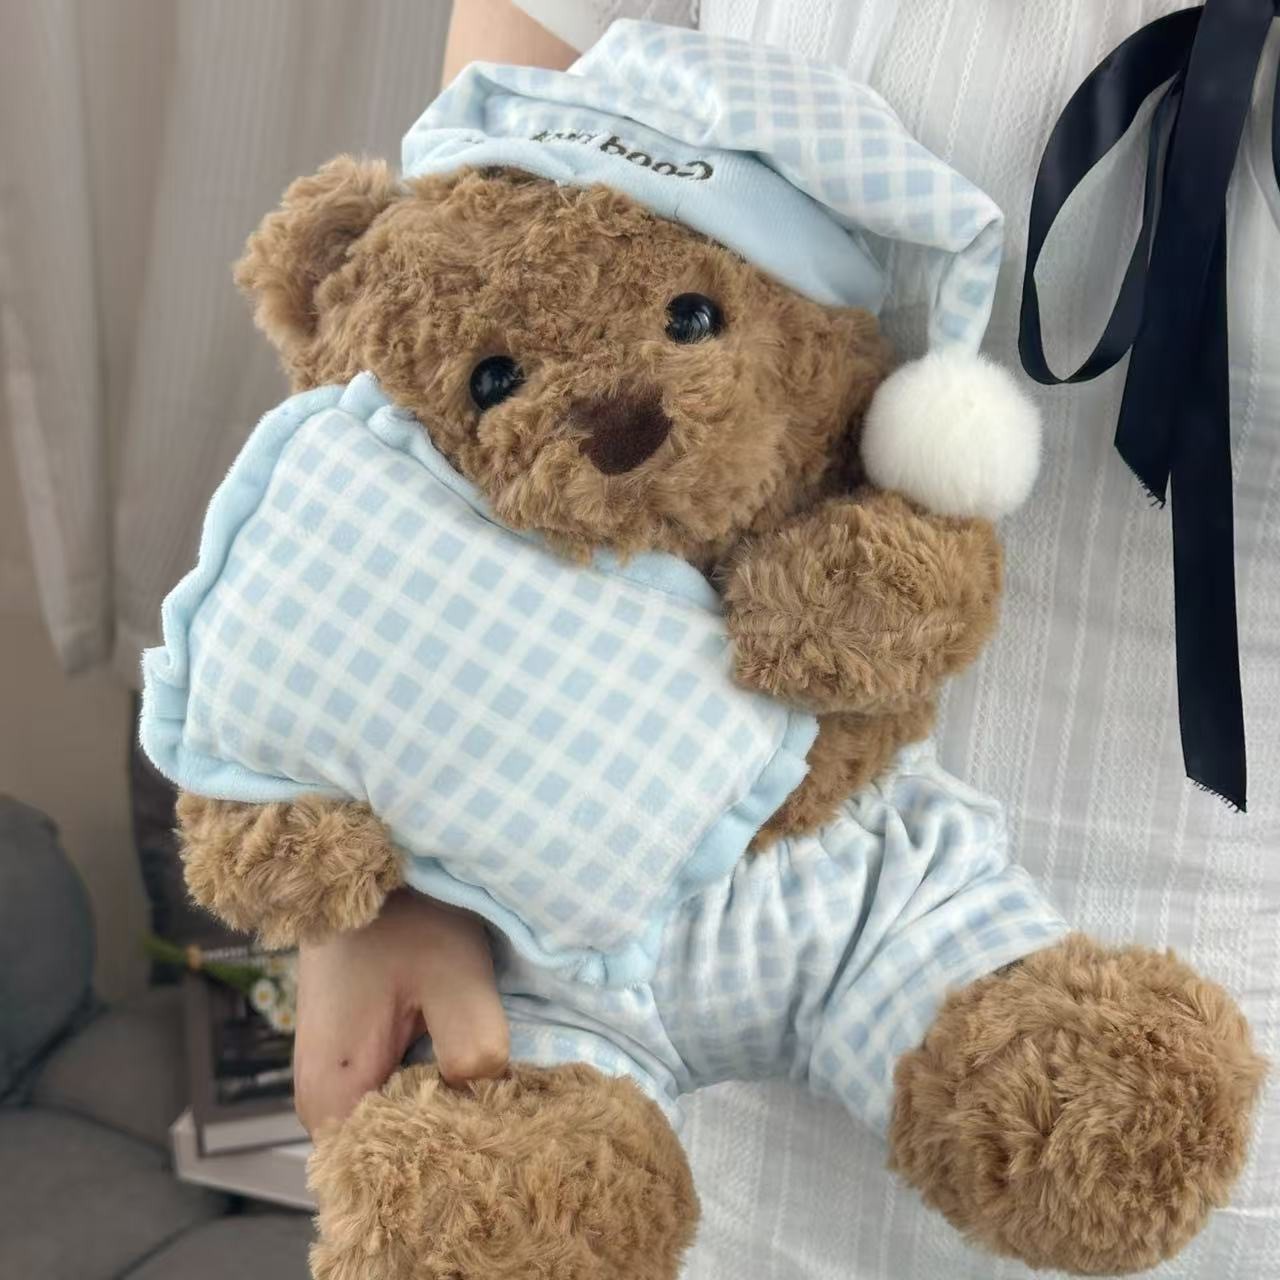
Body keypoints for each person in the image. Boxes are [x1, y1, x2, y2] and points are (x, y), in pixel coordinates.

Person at [296, 7, 1279, 1278]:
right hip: (600, 972)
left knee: (1118, 1138)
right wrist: (380, 878)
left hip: (1181, 1062)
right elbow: (441, 305)